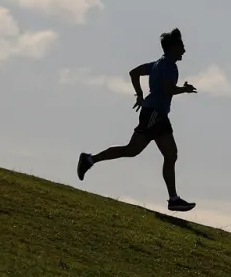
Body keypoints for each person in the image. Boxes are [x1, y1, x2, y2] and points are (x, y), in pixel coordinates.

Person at [76, 28, 199, 212]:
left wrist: (140, 95)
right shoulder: (168, 66)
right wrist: (184, 89)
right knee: (169, 154)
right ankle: (173, 199)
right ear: (173, 47)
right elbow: (167, 89)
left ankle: (90, 159)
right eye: (181, 46)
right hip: (155, 114)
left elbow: (134, 72)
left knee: (134, 150)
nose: (184, 50)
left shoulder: (158, 63)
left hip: (153, 113)